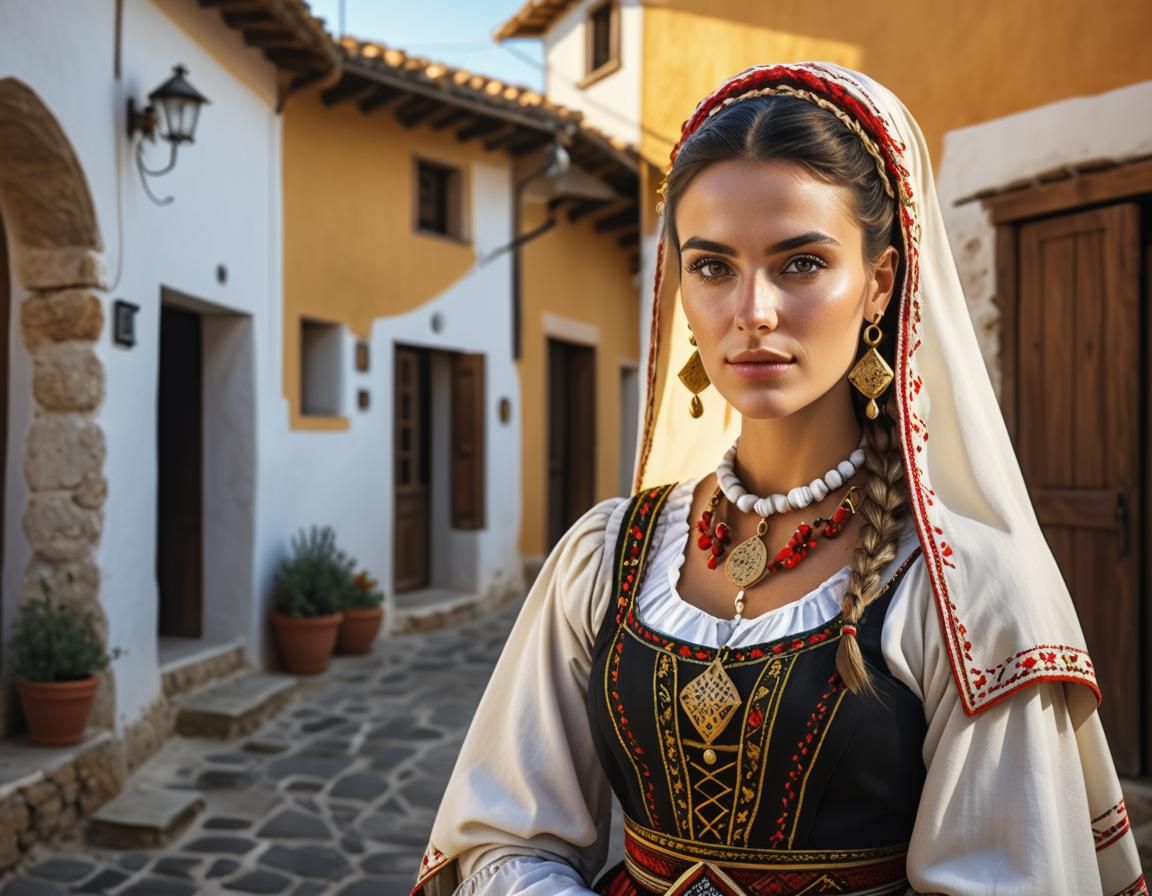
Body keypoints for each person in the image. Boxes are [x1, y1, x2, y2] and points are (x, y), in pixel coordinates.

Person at [410, 63, 1147, 896]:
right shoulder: (607, 554)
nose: (750, 310)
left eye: (800, 263)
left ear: (878, 284)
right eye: (713, 266)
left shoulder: (968, 595)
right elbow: (509, 832)